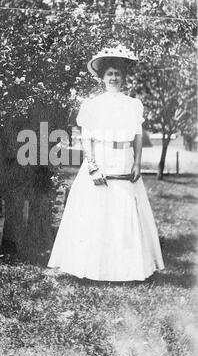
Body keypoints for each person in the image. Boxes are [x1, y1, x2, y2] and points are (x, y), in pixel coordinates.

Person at [47, 45, 164, 281]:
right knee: (96, 211)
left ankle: (125, 269)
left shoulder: (133, 105)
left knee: (123, 213)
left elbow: (137, 136)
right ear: (102, 77)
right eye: (109, 73)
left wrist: (137, 164)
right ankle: (91, 268)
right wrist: (92, 166)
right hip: (100, 159)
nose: (114, 78)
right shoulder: (93, 105)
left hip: (124, 160)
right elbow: (87, 137)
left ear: (124, 77)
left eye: (118, 74)